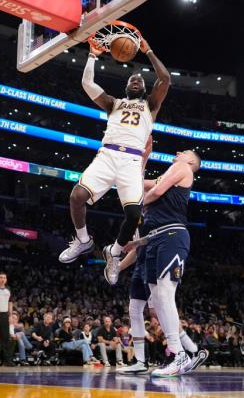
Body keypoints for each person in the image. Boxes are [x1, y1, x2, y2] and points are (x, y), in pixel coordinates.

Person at [58, 35, 171, 272]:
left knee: (133, 214)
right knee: (76, 197)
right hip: (107, 156)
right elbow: (88, 84)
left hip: (131, 160)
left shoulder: (150, 105)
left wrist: (148, 50)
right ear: (126, 87)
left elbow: (165, 78)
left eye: (140, 79)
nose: (136, 80)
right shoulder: (114, 104)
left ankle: (115, 252)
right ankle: (83, 240)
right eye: (132, 79)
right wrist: (91, 55)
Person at [117, 150, 202, 377]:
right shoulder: (168, 173)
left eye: (183, 152)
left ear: (191, 161)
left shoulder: (182, 168)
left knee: (164, 295)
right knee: (157, 300)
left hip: (172, 235)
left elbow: (156, 190)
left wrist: (136, 203)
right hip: (154, 239)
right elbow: (142, 183)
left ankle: (180, 353)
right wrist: (138, 161)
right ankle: (177, 353)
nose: (178, 153)